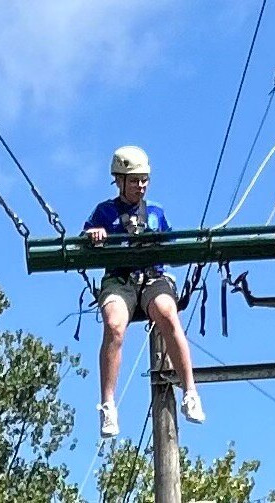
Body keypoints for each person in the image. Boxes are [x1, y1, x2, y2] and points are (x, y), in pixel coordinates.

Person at [84, 145, 205, 437]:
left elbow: (170, 242)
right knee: (114, 325)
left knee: (166, 312)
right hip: (120, 279)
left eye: (144, 180)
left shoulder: (155, 213)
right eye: (134, 180)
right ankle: (108, 404)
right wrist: (94, 236)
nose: (140, 186)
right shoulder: (105, 212)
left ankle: (190, 391)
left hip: (152, 277)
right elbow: (85, 236)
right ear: (120, 180)